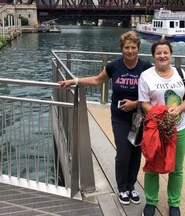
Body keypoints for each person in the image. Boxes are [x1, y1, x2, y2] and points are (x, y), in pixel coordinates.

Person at [58, 31, 152, 205]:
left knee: (136, 153)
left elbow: (153, 92)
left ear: (138, 49)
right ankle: (122, 188)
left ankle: (131, 186)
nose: (130, 51)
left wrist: (136, 103)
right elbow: (96, 80)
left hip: (140, 118)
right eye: (126, 48)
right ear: (121, 49)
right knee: (123, 153)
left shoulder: (145, 67)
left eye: (133, 47)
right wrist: (73, 81)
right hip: (120, 117)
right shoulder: (114, 66)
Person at [138, 39, 185, 216]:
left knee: (176, 168)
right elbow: (144, 103)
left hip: (180, 128)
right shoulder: (146, 76)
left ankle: (174, 204)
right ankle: (151, 202)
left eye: (166, 52)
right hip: (156, 129)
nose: (162, 56)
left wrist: (178, 109)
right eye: (159, 53)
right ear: (153, 56)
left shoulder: (180, 72)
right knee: (153, 166)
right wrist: (161, 113)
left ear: (170, 54)